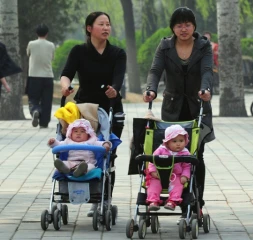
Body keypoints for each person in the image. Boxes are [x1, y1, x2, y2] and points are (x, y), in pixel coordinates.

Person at [143, 7, 215, 220]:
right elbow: (155, 70)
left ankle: (196, 202)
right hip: (172, 108)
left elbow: (207, 71)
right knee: (169, 155)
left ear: (194, 26)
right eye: (178, 25)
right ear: (172, 28)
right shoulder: (165, 46)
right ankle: (166, 195)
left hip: (198, 107)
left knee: (195, 157)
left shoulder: (203, 45)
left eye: (187, 24)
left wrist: (206, 90)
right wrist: (151, 89)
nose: (183, 29)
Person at [60, 11, 126, 216]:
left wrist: (114, 90)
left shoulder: (117, 53)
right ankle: (79, 190)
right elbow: (66, 74)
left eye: (108, 24)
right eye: (101, 24)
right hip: (84, 111)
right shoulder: (79, 51)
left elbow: (118, 78)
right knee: (79, 151)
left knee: (107, 156)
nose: (106, 28)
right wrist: (65, 87)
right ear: (90, 28)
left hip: (110, 108)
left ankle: (103, 200)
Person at [146, 125, 191, 211]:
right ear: (167, 142)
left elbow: (187, 166)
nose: (178, 144)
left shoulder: (185, 153)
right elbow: (152, 161)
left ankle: (172, 201)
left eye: (181, 141)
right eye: (174, 141)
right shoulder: (161, 150)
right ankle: (153, 201)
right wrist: (153, 171)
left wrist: (185, 175)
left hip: (176, 176)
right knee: (153, 185)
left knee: (178, 185)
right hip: (158, 175)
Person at [26, 24, 55, 128]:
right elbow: (52, 58)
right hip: (48, 76)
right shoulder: (51, 45)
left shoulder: (31, 44)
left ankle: (35, 110)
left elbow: (28, 54)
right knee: (47, 100)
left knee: (33, 97)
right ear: (47, 34)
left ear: (36, 33)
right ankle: (44, 122)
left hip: (34, 75)